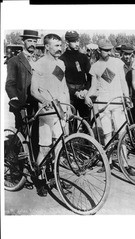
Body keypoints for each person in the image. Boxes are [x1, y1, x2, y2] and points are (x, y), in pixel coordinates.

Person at [84, 39, 135, 176]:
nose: (107, 52)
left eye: (109, 50)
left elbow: (123, 82)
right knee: (107, 134)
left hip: (118, 103)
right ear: (99, 50)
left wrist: (126, 97)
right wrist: (88, 96)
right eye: (104, 50)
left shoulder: (118, 63)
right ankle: (108, 163)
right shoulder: (95, 66)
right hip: (103, 104)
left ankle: (125, 164)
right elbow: (93, 86)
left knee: (122, 134)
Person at [31, 33, 71, 196]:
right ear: (47, 46)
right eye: (56, 45)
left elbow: (64, 87)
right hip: (47, 112)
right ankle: (39, 179)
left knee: (59, 146)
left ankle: (55, 176)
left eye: (60, 45)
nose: (59, 48)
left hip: (60, 111)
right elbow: (34, 91)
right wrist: (44, 100)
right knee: (45, 148)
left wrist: (68, 108)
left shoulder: (61, 63)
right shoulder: (39, 64)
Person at [6, 30, 40, 129]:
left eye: (34, 41)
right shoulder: (14, 61)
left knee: (36, 133)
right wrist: (14, 98)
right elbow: (10, 83)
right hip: (22, 103)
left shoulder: (39, 60)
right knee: (22, 132)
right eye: (29, 41)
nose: (32, 44)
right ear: (23, 42)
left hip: (37, 102)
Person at [59, 31, 92, 123]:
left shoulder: (83, 57)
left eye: (78, 41)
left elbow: (90, 76)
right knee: (71, 123)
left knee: (86, 122)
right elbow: (62, 81)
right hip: (70, 96)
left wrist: (86, 89)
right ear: (67, 42)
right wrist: (74, 92)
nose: (77, 44)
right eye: (73, 41)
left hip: (83, 94)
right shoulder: (61, 59)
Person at [120, 44, 135, 123]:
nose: (127, 56)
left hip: (133, 94)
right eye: (126, 54)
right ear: (122, 53)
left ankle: (133, 133)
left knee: (133, 116)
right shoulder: (119, 64)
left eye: (129, 54)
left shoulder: (134, 64)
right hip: (123, 95)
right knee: (123, 118)